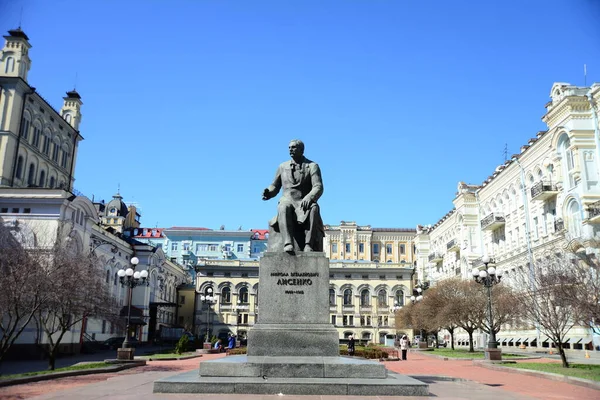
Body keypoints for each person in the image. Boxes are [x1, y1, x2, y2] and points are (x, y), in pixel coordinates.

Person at [262, 139, 325, 253]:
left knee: (314, 208)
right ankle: (288, 243)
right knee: (283, 207)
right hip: (288, 200)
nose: (291, 149)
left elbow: (318, 186)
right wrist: (269, 192)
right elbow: (275, 186)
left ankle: (308, 244)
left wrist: (310, 197)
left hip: (304, 200)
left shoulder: (312, 166)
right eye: (289, 147)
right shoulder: (282, 166)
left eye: (294, 147)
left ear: (301, 150)